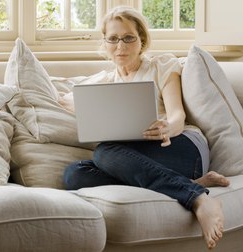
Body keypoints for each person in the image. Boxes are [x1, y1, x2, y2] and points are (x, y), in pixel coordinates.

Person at [60, 5, 230, 250]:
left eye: (129, 38)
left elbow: (177, 115)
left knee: (105, 152)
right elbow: (68, 99)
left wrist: (167, 128)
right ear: (105, 43)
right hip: (135, 157)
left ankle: (198, 198)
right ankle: (193, 182)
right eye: (113, 39)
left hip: (180, 145)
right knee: (74, 174)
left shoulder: (162, 65)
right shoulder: (104, 81)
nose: (121, 46)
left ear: (142, 40)